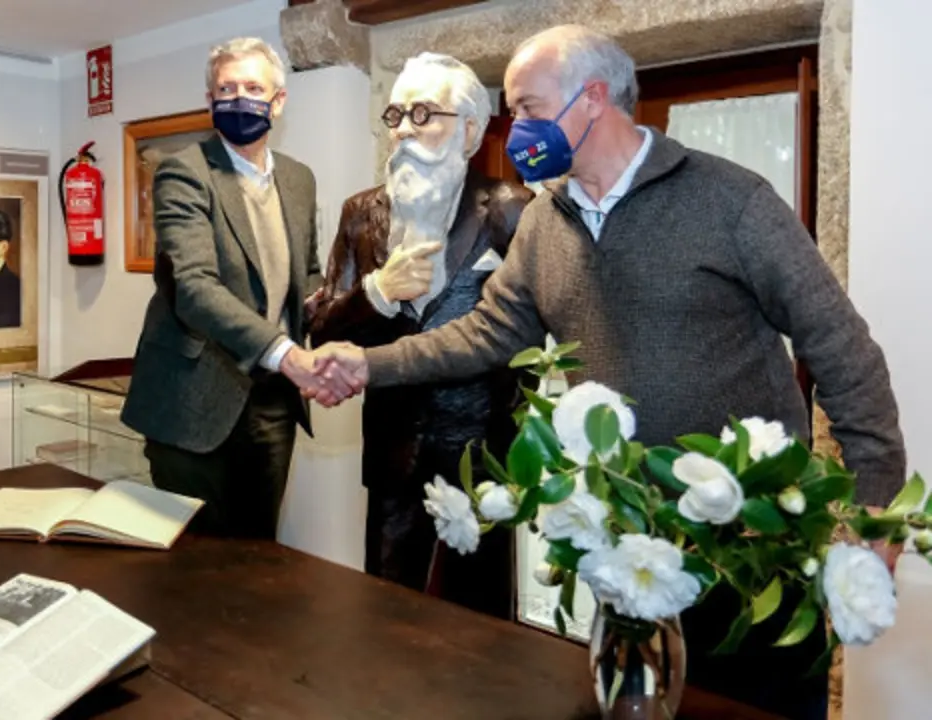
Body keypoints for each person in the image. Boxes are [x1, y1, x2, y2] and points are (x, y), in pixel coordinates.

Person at [309, 25, 904, 720]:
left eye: (529, 108)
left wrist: (877, 504)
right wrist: (365, 363)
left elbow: (842, 349)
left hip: (751, 543)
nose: (518, 127)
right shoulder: (544, 226)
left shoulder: (731, 200)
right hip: (626, 541)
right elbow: (484, 335)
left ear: (592, 99)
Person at [308, 52, 533, 619]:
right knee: (386, 608)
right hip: (393, 453)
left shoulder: (511, 209)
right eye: (396, 114)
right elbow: (320, 327)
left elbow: (536, 329)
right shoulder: (362, 214)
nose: (404, 129)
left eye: (425, 113)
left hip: (482, 458)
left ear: (471, 131)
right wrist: (378, 292)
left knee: (480, 620)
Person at [120, 37, 345, 539]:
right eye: (225, 88)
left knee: (258, 551)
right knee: (193, 569)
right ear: (209, 100)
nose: (237, 99)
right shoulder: (184, 172)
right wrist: (288, 354)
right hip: (192, 405)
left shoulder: (299, 179)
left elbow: (305, 274)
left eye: (251, 87)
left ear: (278, 101)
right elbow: (195, 288)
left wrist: (348, 310)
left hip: (272, 404)